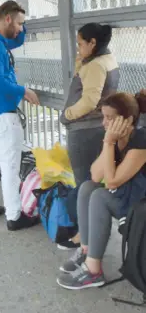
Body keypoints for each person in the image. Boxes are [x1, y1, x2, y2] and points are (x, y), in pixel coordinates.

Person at [57, 91, 146, 290]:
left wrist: (108, 142)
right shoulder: (114, 139)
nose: (104, 123)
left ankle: (93, 271)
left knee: (100, 196)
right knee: (88, 187)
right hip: (128, 199)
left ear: (128, 119)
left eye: (110, 118)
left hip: (141, 207)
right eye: (103, 117)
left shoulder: (141, 140)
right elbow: (95, 175)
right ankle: (87, 251)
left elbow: (112, 182)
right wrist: (110, 144)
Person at [0, 0, 40, 230]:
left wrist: (24, 25)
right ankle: (14, 216)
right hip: (2, 116)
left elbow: (17, 38)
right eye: (20, 23)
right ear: (7, 19)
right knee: (10, 167)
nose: (21, 29)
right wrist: (24, 90)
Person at [61, 23, 119, 187]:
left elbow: (89, 101)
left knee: (83, 182)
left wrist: (67, 115)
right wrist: (81, 63)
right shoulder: (107, 59)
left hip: (84, 129)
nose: (78, 48)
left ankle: (84, 212)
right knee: (94, 179)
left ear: (92, 43)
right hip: (97, 126)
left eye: (80, 44)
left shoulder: (95, 65)